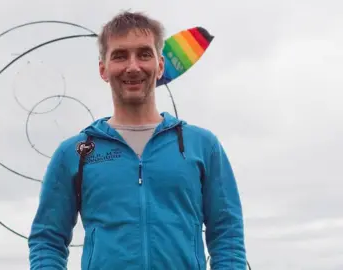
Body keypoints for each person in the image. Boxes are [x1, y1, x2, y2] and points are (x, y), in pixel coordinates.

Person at [28, 10, 247, 269]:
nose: (133, 67)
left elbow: (227, 234)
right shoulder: (75, 153)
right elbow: (47, 239)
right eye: (120, 56)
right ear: (103, 69)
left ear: (160, 65)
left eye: (144, 54)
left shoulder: (202, 145)